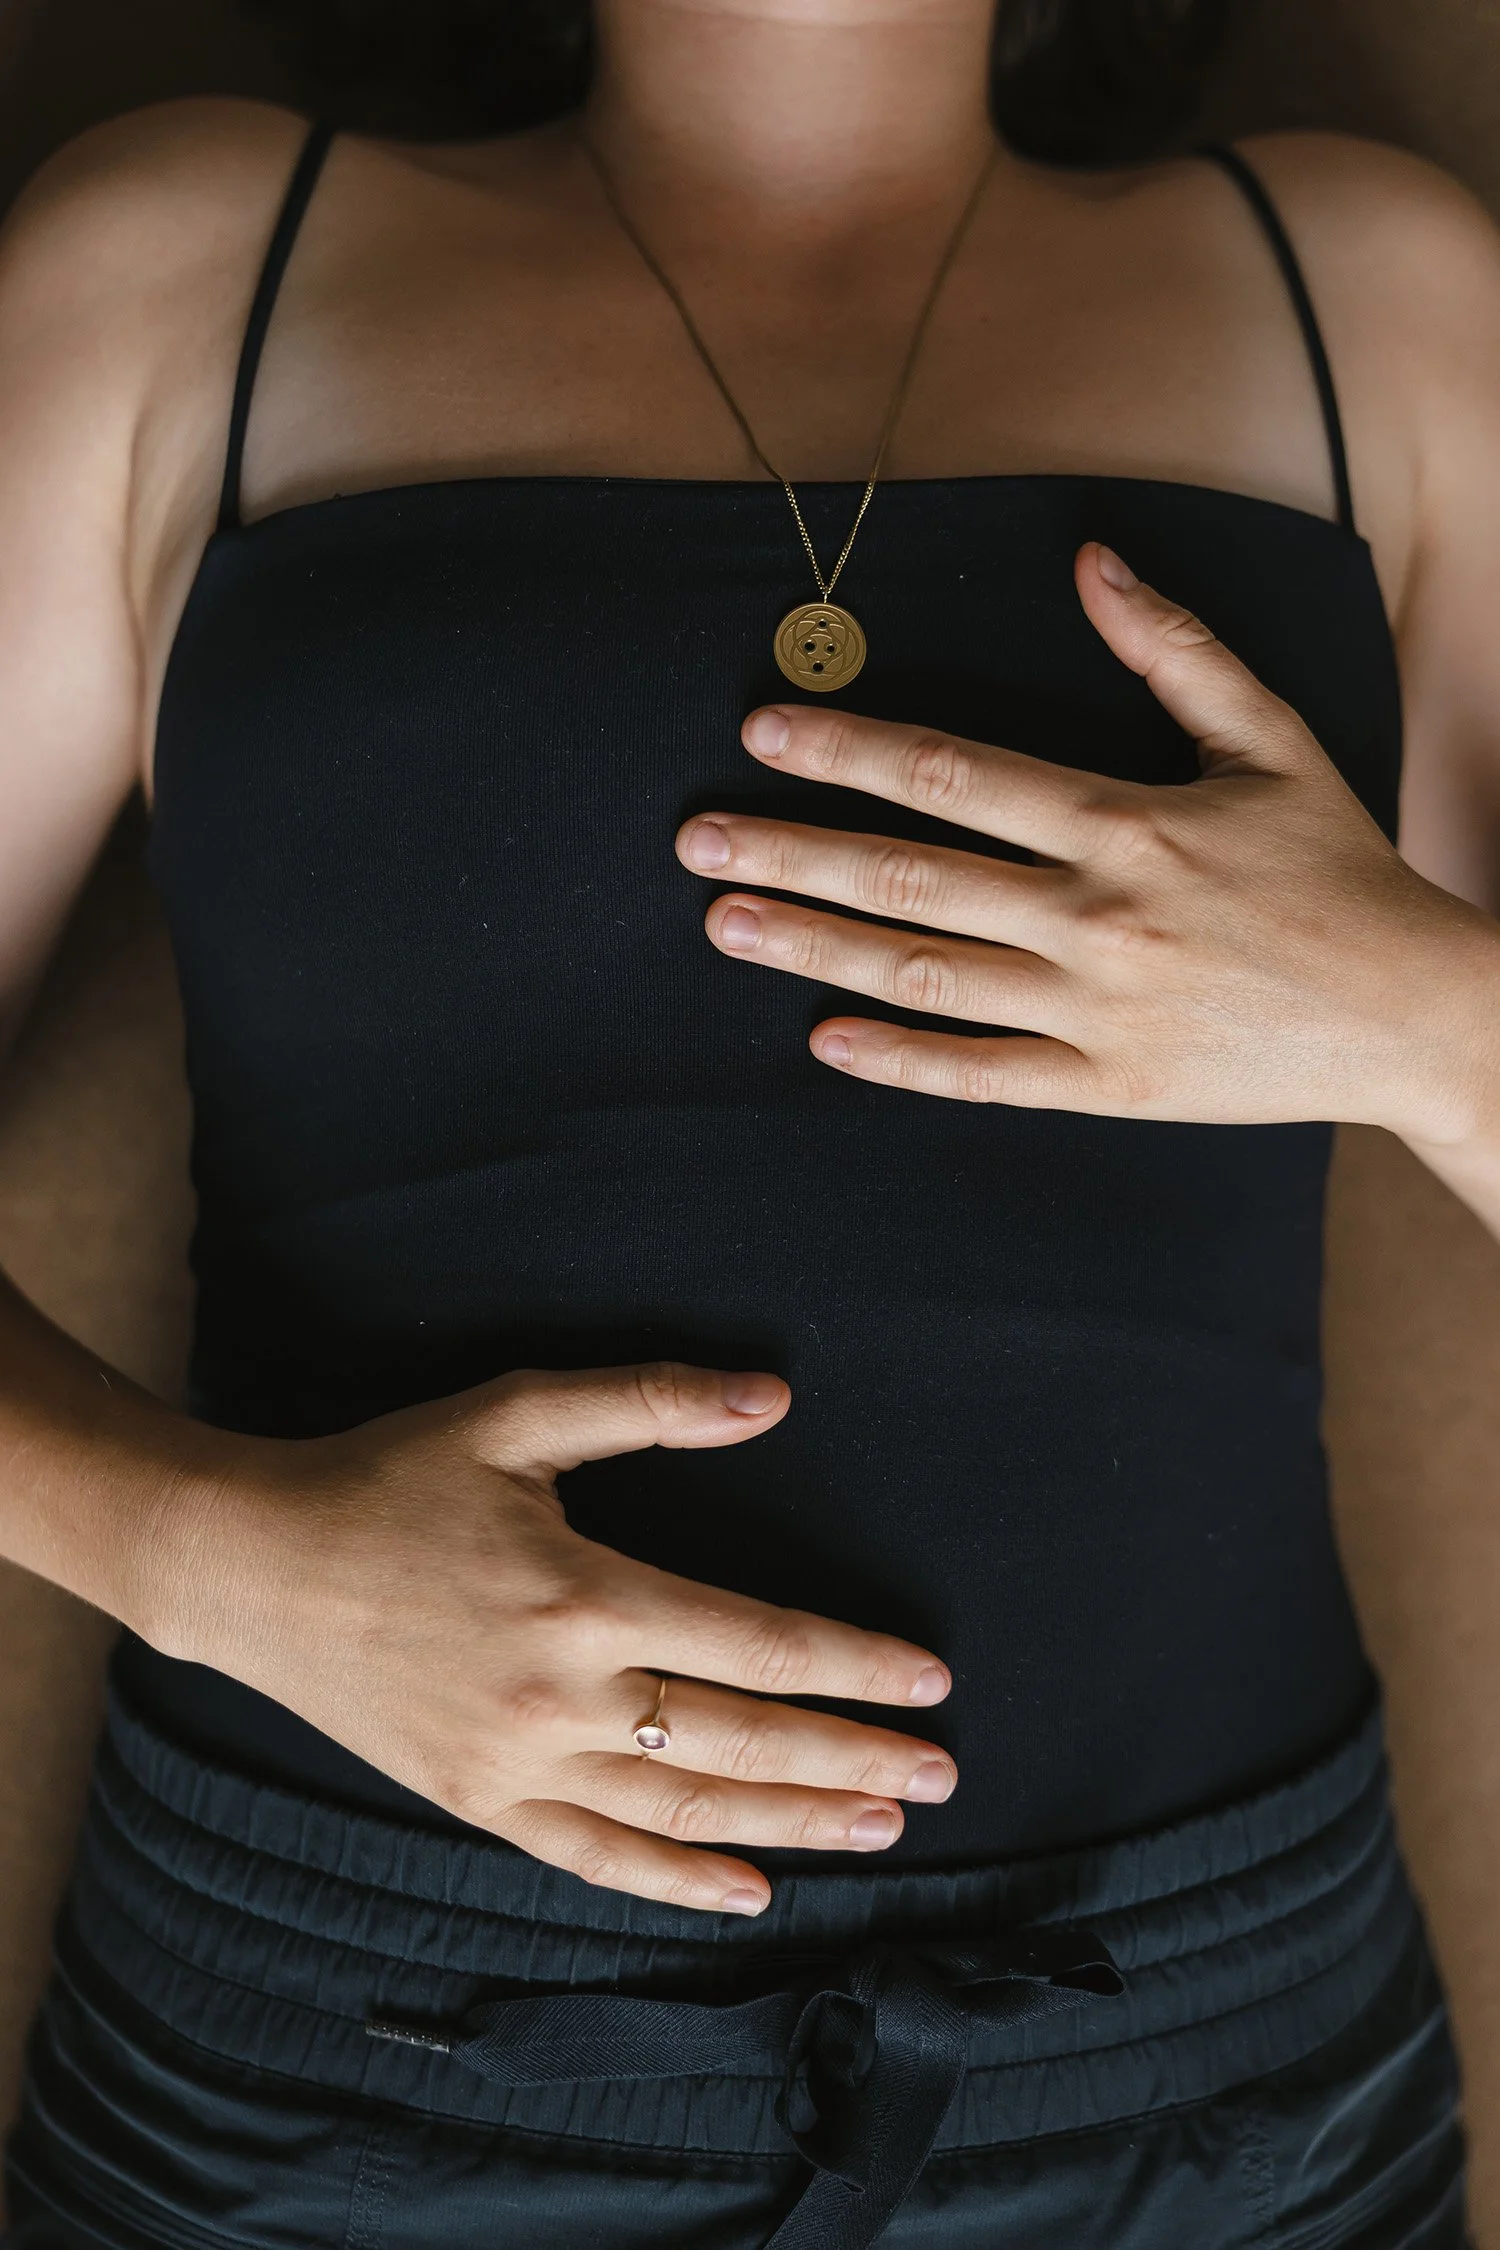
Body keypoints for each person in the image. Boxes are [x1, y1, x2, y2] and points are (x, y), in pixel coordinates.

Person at [1, 0, 1498, 2238]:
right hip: (339, 2051)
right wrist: (207, 1557)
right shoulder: (182, 264)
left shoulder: (1372, 290)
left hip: (1213, 2072)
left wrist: (1415, 1005)